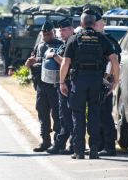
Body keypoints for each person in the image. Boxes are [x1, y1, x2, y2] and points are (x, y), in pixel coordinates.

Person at [60, 10, 120, 159]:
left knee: (78, 115)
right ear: (94, 23)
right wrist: (114, 81)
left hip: (78, 81)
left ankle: (79, 151)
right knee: (94, 114)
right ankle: (93, 150)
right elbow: (114, 61)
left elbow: (65, 63)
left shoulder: (74, 39)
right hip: (96, 81)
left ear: (81, 23)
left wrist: (62, 82)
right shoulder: (102, 39)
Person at [25, 21, 62, 152]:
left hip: (54, 85)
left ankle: (58, 142)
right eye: (44, 34)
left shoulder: (60, 45)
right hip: (41, 84)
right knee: (42, 113)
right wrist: (29, 63)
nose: (47, 36)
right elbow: (30, 61)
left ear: (54, 32)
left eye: (49, 34)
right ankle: (45, 141)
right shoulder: (39, 46)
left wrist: (38, 61)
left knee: (57, 114)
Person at [45, 18, 74, 154]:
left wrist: (55, 56)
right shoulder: (65, 44)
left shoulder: (73, 43)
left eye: (64, 30)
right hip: (62, 83)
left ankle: (70, 144)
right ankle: (61, 142)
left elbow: (67, 63)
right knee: (63, 115)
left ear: (71, 29)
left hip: (70, 83)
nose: (61, 32)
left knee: (68, 115)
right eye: (60, 30)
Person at [93, 12, 121, 157]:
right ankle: (98, 145)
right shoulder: (94, 38)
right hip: (93, 82)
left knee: (104, 114)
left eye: (94, 23)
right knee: (94, 115)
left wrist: (108, 79)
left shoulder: (107, 40)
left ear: (99, 24)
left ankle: (109, 146)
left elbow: (113, 60)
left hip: (105, 83)